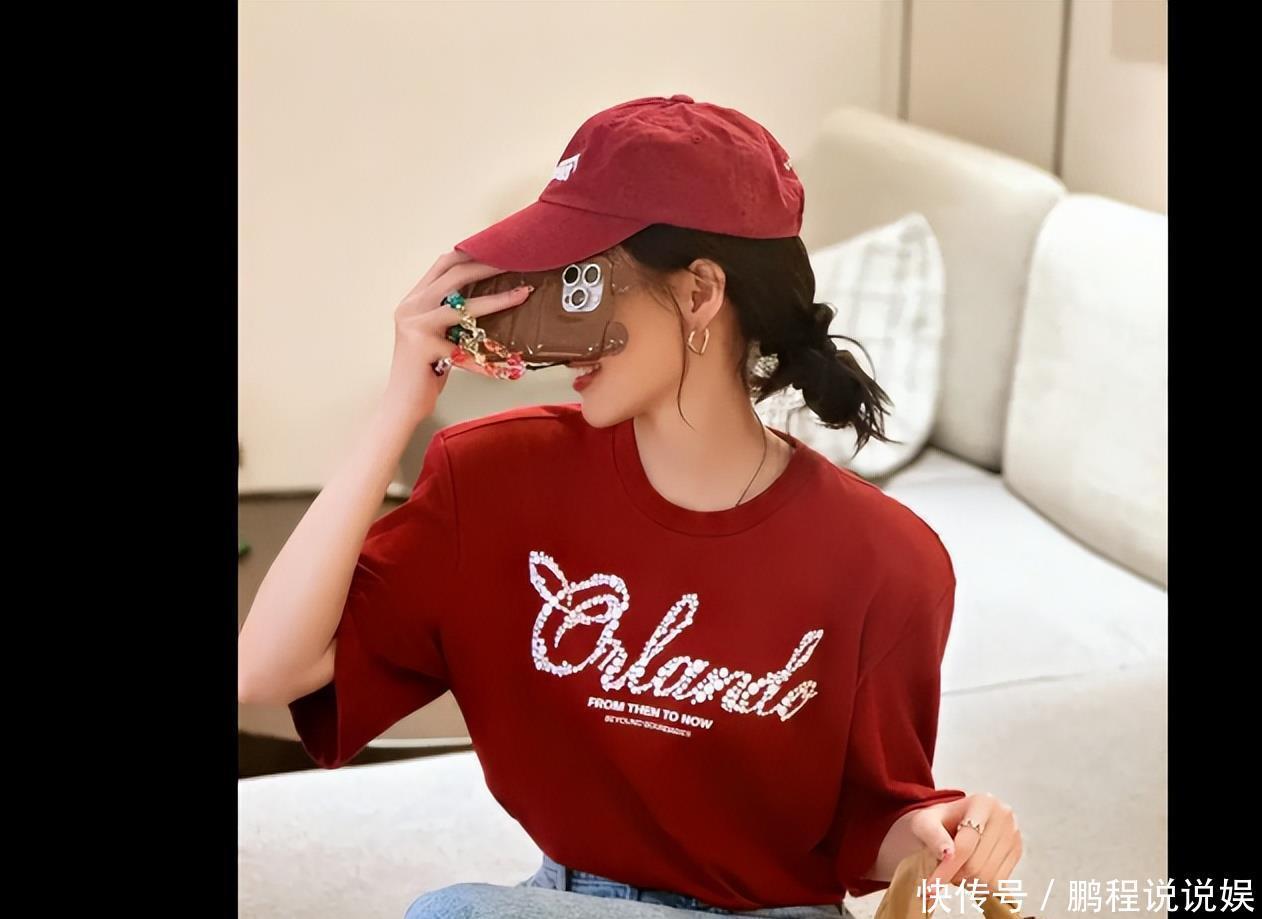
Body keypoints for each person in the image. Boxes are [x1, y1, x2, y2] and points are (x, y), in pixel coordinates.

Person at [237, 94, 1023, 919]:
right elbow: (265, 670)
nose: (556, 321)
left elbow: (871, 820)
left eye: (581, 282)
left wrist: (941, 833)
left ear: (700, 293)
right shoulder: (495, 479)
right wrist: (399, 403)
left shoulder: (886, 558)